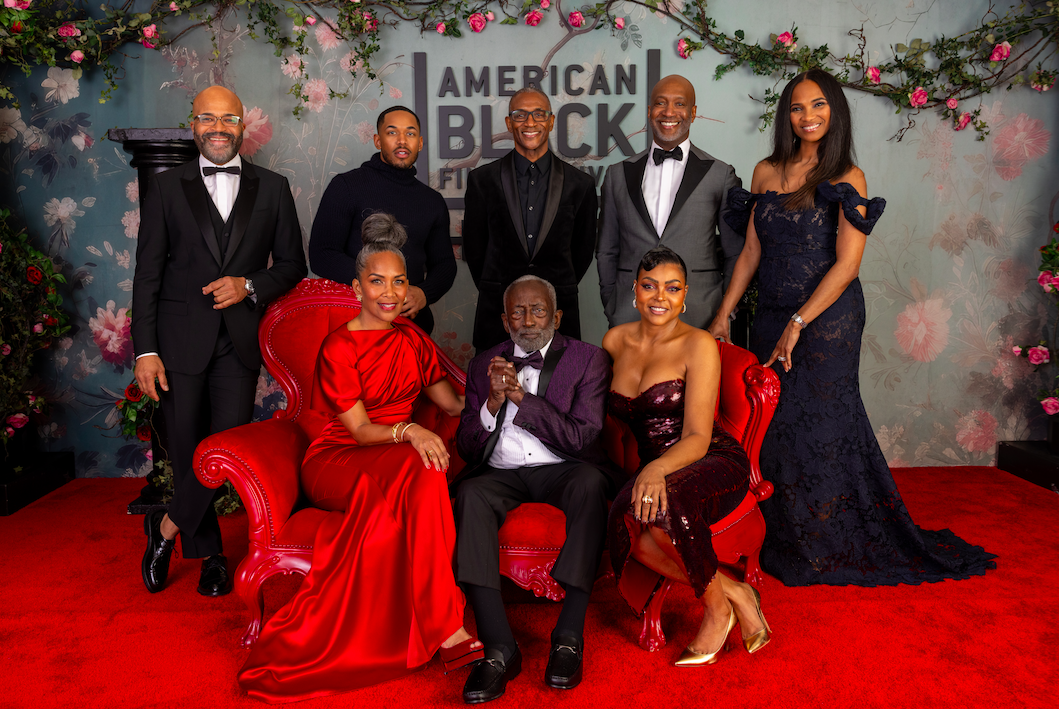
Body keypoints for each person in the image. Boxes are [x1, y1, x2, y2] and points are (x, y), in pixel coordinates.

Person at [708, 69, 997, 586]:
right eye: (797, 107)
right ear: (786, 116)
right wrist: (724, 312)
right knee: (775, 427)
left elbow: (848, 265)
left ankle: (826, 541)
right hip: (769, 314)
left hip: (827, 321)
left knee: (821, 425)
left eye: (818, 105)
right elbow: (751, 250)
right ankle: (783, 535)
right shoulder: (765, 171)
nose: (808, 116)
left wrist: (799, 322)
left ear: (834, 111)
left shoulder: (849, 176)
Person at [238, 214, 481, 702]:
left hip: (397, 456)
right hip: (338, 459)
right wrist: (410, 429)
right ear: (357, 287)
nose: (390, 293)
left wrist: (493, 393)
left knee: (425, 467)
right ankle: (447, 625)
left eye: (399, 281)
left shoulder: (413, 339)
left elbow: (454, 404)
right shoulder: (339, 345)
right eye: (377, 281)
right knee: (420, 462)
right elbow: (360, 430)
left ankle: (443, 623)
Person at [134, 85, 307, 598]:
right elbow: (147, 274)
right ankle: (211, 555)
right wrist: (145, 350)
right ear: (193, 124)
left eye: (227, 118)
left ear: (242, 125)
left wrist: (249, 284)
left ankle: (167, 526)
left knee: (224, 450)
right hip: (177, 341)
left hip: (238, 341)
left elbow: (293, 265)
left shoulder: (273, 187)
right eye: (207, 118)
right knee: (189, 446)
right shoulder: (166, 188)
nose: (217, 128)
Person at [453, 275, 619, 702]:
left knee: (589, 485)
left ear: (556, 317)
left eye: (538, 310)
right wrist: (492, 403)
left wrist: (521, 399)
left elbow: (581, 438)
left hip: (562, 467)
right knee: (469, 495)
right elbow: (468, 447)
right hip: (501, 472)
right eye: (518, 312)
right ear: (505, 320)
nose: (528, 321)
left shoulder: (588, 359)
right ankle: (499, 649)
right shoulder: (482, 363)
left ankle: (568, 637)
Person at [604, 246, 768, 666]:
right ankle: (736, 593)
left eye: (672, 288)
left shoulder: (699, 344)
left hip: (709, 458)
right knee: (626, 524)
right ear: (635, 291)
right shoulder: (615, 340)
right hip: (654, 467)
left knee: (663, 510)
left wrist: (656, 470)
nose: (660, 296)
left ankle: (715, 612)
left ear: (685, 295)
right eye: (650, 286)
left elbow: (697, 434)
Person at [597, 74, 743, 330]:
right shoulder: (617, 175)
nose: (669, 112)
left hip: (700, 312)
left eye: (679, 104)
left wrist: (724, 311)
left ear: (693, 112)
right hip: (629, 312)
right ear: (649, 111)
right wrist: (612, 303)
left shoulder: (720, 175)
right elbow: (607, 249)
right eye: (660, 103)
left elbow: (735, 252)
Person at [463, 87, 598, 352]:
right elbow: (474, 250)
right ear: (509, 123)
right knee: (493, 379)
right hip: (497, 312)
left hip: (559, 310)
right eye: (520, 115)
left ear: (551, 121)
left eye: (538, 114)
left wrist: (554, 287)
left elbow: (582, 251)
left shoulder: (580, 184)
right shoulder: (482, 180)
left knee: (561, 379)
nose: (530, 122)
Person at [309, 106, 456, 335]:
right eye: (392, 132)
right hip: (355, 323)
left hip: (412, 327)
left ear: (419, 143)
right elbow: (322, 255)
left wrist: (424, 293)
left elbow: (445, 264)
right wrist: (379, 285)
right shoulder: (346, 187)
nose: (402, 140)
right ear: (378, 141)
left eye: (410, 133)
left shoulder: (432, 201)